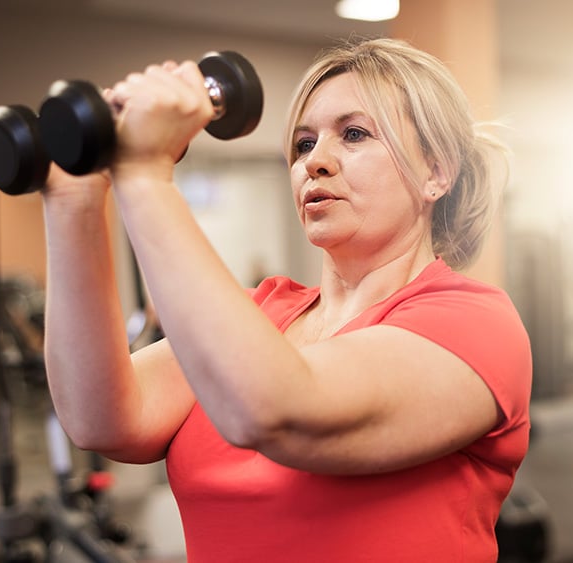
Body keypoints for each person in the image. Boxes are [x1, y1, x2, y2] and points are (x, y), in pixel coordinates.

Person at [41, 37, 532, 562]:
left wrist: (144, 175)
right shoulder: (259, 314)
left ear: (436, 172)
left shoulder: (476, 324)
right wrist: (75, 199)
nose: (314, 162)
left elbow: (276, 411)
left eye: (354, 134)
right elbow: (104, 419)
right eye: (302, 144)